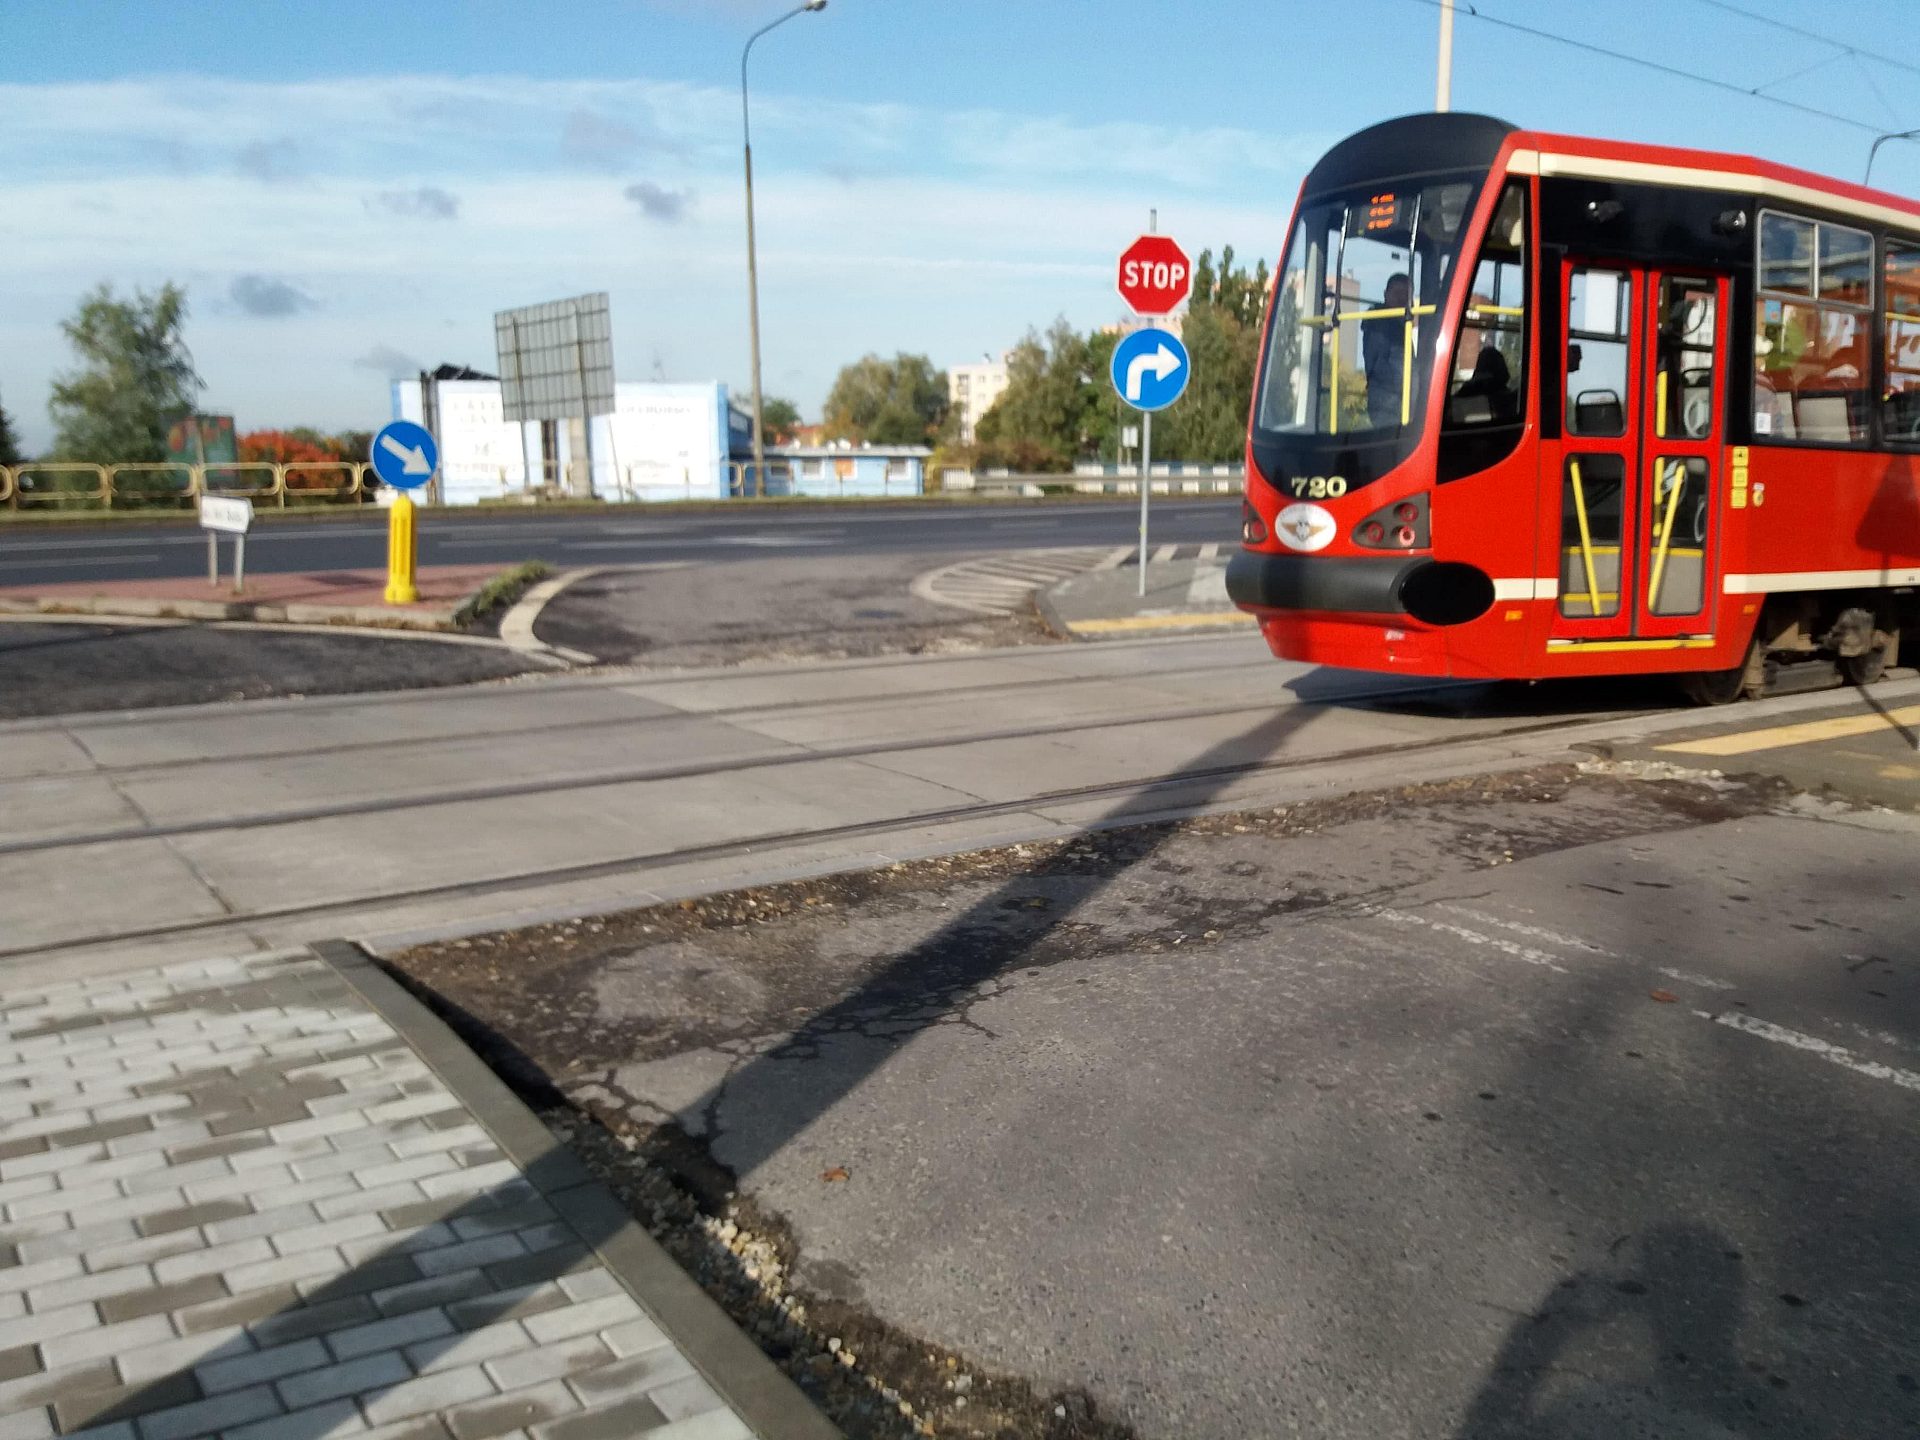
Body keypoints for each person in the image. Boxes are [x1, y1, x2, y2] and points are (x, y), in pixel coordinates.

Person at [1362, 273, 1412, 428]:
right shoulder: (1379, 324)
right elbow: (1376, 363)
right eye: (1397, 293)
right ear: (1386, 294)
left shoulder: (1401, 325)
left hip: (1397, 400)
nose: (1401, 299)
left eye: (1406, 295)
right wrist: (1401, 387)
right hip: (1387, 402)